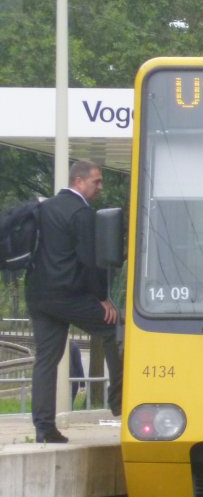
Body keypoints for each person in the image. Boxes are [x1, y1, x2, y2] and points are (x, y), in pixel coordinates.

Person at [25, 160, 123, 443]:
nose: (100, 188)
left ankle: (44, 428)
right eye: (97, 182)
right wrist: (102, 298)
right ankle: (118, 401)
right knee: (114, 328)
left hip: (38, 295)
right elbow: (91, 261)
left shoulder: (44, 208)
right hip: (67, 295)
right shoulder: (81, 213)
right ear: (79, 181)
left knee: (46, 360)